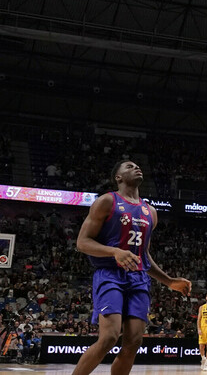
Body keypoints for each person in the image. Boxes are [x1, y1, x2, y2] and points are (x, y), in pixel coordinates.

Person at [73, 160, 191, 375]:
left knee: (134, 341)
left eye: (137, 166)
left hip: (138, 279)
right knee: (109, 337)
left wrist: (169, 281)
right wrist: (114, 251)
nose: (136, 168)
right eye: (128, 166)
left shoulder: (150, 212)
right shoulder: (107, 201)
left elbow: (143, 255)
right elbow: (82, 243)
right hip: (110, 274)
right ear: (118, 177)